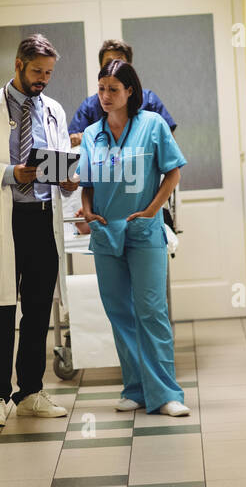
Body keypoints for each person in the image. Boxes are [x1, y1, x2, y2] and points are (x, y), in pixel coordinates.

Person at [0, 34, 80, 427]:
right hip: (6, 219)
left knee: (37, 309)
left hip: (43, 218)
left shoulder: (55, 111)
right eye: (36, 72)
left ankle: (30, 391)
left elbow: (61, 157)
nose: (42, 79)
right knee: (1, 308)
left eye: (47, 73)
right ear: (17, 65)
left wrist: (67, 179)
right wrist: (11, 173)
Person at [77, 59, 190, 416]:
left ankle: (167, 393)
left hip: (143, 232)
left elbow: (172, 175)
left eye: (114, 89)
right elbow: (86, 184)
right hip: (106, 233)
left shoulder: (152, 125)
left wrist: (152, 211)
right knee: (119, 313)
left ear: (130, 91)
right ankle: (136, 388)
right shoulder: (93, 134)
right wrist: (88, 210)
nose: (106, 96)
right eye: (101, 89)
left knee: (152, 311)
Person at [67, 40, 176, 148]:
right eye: (109, 63)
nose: (114, 67)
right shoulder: (91, 113)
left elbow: (169, 149)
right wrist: (80, 139)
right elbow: (72, 142)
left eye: (114, 90)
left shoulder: (151, 108)